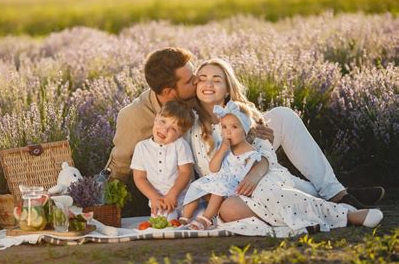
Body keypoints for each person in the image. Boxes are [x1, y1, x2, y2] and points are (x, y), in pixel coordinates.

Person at [105, 47, 384, 216]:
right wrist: (109, 204)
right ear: (169, 92)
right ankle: (333, 199)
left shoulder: (192, 93)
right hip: (211, 170)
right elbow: (119, 166)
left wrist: (254, 124)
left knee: (283, 117)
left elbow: (228, 98)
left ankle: (335, 193)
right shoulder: (135, 117)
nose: (199, 81)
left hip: (235, 143)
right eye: (192, 80)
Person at [187, 58, 384, 225]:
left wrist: (259, 168)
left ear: (228, 88)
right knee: (234, 207)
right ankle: (340, 205)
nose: (208, 84)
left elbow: (263, 152)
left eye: (216, 80)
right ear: (195, 85)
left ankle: (336, 195)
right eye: (202, 79)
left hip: (265, 180)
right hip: (232, 192)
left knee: (282, 115)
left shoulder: (243, 115)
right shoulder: (190, 122)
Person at [130, 101, 195, 221]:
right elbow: (139, 177)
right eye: (163, 122)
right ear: (156, 118)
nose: (165, 129)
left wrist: (172, 195)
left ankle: (188, 217)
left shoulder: (180, 145)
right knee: (165, 221)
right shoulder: (142, 147)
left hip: (183, 198)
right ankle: (181, 220)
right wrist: (154, 197)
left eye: (173, 129)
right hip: (159, 201)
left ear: (180, 134)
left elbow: (185, 173)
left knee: (197, 209)